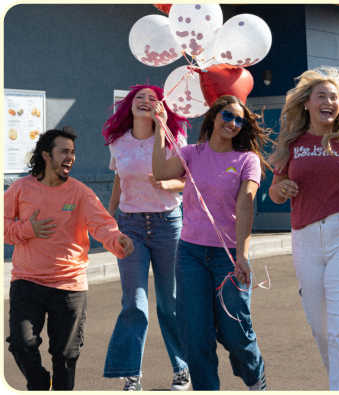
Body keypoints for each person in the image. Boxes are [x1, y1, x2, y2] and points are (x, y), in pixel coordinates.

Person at [268, 68, 339, 390]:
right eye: (321, 96)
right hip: (305, 238)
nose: (328, 101)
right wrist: (282, 188)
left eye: (334, 97)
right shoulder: (291, 143)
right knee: (321, 327)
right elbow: (275, 192)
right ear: (307, 104)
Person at [152, 94, 269, 391]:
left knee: (235, 331)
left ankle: (255, 377)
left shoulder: (247, 160)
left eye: (239, 120)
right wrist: (159, 128)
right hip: (190, 253)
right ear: (214, 117)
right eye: (227, 116)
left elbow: (245, 205)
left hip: (228, 256)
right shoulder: (192, 152)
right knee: (196, 334)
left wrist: (241, 254)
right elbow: (162, 172)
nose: (232, 123)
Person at [4, 128, 134, 391]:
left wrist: (116, 239)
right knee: (21, 343)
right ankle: (40, 383)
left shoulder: (81, 192)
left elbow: (103, 225)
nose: (70, 157)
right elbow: (3, 227)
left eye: (72, 152)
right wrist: (27, 229)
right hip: (27, 282)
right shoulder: (20, 188)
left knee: (65, 357)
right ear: (45, 155)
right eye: (64, 151)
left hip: (68, 285)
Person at [101, 84, 190, 391]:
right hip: (130, 227)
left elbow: (186, 182)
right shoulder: (118, 141)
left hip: (168, 225)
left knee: (171, 303)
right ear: (129, 104)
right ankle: (131, 374)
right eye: (139, 97)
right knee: (134, 303)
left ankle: (182, 368)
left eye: (152, 98)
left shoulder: (175, 138)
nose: (145, 102)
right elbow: (118, 180)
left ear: (161, 108)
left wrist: (167, 185)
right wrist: (109, 218)